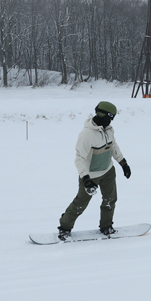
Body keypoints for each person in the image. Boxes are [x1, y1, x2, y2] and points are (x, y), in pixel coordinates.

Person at [57, 101, 131, 240]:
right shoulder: (87, 134)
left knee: (110, 200)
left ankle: (106, 226)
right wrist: (85, 179)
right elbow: (80, 158)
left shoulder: (109, 129)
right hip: (91, 175)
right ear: (102, 115)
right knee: (81, 203)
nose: (111, 121)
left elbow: (113, 146)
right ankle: (64, 227)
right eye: (110, 117)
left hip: (108, 171)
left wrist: (123, 163)